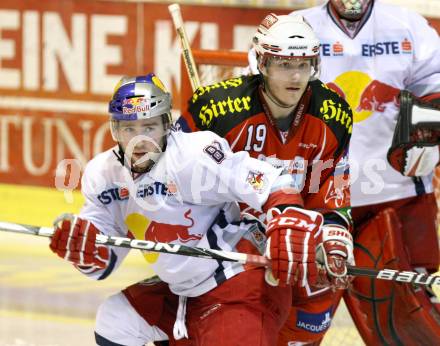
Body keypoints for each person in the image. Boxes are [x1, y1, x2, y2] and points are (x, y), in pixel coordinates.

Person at [48, 73, 352, 346]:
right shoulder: (103, 174)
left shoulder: (195, 155)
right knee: (115, 321)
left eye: (149, 126)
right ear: (114, 129)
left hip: (240, 285)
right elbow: (105, 255)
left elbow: (270, 180)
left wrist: (286, 217)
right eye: (129, 128)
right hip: (183, 293)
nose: (139, 139)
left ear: (167, 124)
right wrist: (83, 248)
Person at [259, 1, 440, 344]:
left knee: (408, 321)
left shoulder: (407, 26)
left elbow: (436, 84)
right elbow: (259, 93)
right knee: (294, 318)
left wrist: (431, 126)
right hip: (314, 200)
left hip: (397, 196)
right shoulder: (296, 26)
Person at [176, 13, 355, 345]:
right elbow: (170, 176)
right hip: (227, 242)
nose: (296, 75)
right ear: (261, 62)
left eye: (304, 64)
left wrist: (333, 234)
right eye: (284, 64)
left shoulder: (334, 113)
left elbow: (332, 185)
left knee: (317, 296)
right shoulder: (215, 109)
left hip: (295, 239)